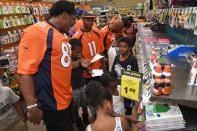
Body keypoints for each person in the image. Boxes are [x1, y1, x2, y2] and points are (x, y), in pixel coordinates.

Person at [17, 1, 84, 131]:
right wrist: (32, 106)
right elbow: (24, 72)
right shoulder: (36, 32)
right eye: (73, 19)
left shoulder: (59, 34)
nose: (74, 23)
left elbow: (60, 66)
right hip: (53, 104)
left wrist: (80, 63)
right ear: (64, 15)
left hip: (65, 99)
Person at [72, 10, 105, 84]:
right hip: (85, 74)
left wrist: (103, 67)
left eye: (92, 20)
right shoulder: (77, 37)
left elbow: (101, 50)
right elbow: (78, 57)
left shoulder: (97, 32)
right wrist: (90, 71)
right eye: (88, 20)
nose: (91, 22)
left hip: (98, 70)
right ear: (82, 19)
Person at [111, 37, 138, 115]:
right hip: (117, 88)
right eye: (120, 46)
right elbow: (113, 71)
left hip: (127, 89)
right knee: (118, 106)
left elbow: (135, 75)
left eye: (124, 47)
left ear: (129, 48)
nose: (122, 49)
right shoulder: (116, 58)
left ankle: (127, 120)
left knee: (127, 107)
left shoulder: (132, 60)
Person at [70, 38, 90, 131]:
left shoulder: (80, 56)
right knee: (74, 107)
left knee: (84, 102)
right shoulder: (67, 60)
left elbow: (84, 65)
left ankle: (85, 116)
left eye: (80, 51)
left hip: (82, 84)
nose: (79, 53)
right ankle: (77, 120)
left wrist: (87, 66)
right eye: (77, 52)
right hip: (73, 88)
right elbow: (69, 66)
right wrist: (80, 63)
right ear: (70, 50)